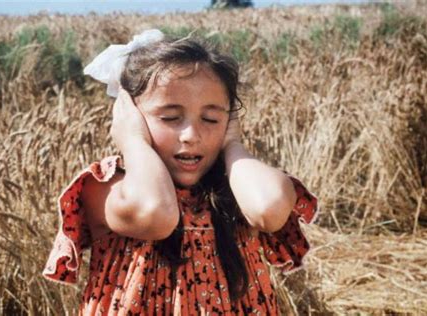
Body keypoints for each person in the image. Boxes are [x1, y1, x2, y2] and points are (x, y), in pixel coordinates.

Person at [43, 29, 318, 315]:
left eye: (211, 118)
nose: (191, 135)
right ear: (131, 116)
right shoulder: (109, 185)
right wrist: (133, 140)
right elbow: (156, 212)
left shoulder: (238, 186)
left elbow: (268, 208)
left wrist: (233, 145)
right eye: (171, 118)